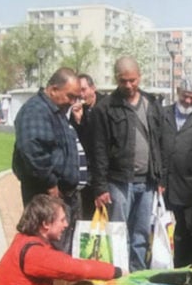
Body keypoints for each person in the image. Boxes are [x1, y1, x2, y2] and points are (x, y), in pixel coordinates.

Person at [90, 57, 163, 272]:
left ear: (139, 77)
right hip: (118, 182)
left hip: (147, 182)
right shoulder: (105, 108)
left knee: (141, 232)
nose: (129, 85)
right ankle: (118, 273)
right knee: (118, 231)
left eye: (132, 80)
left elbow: (159, 143)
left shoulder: (152, 104)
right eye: (123, 81)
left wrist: (160, 178)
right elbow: (99, 150)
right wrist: (100, 187)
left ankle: (137, 274)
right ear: (116, 79)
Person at [12, 67, 81, 253]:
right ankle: (50, 283)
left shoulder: (55, 112)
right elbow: (33, 150)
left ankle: (58, 282)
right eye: (70, 96)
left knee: (62, 248)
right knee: (48, 249)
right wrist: (50, 183)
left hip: (62, 193)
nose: (72, 102)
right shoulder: (35, 111)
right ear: (53, 90)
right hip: (46, 195)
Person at [161, 75, 192, 267]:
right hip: (161, 186)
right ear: (178, 92)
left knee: (184, 232)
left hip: (186, 187)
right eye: (186, 96)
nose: (189, 101)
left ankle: (182, 270)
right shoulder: (161, 115)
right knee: (160, 229)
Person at [70, 73, 105, 220]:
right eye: (79, 91)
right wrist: (78, 121)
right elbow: (78, 143)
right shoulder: (76, 111)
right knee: (86, 217)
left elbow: (99, 140)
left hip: (104, 174)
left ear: (93, 89)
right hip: (86, 175)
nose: (81, 95)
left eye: (84, 90)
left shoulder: (105, 107)